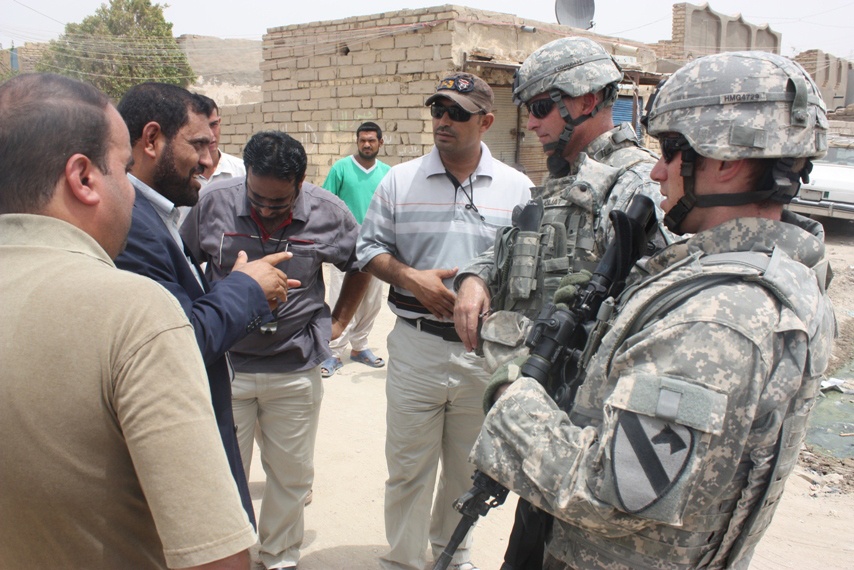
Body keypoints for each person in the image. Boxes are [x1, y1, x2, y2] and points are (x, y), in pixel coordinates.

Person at [471, 51, 837, 570]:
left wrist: (514, 397)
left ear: (726, 160)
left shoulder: (713, 319)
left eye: (670, 150)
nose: (659, 171)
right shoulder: (789, 275)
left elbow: (613, 494)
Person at [0, 73, 256, 569]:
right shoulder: (135, 311)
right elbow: (215, 555)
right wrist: (245, 291)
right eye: (122, 169)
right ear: (83, 178)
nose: (132, 193)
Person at [357, 71, 534, 570]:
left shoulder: (518, 188)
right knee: (408, 467)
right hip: (415, 346)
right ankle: (404, 559)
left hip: (483, 355)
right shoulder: (399, 180)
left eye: (458, 113)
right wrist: (411, 278)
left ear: (487, 121)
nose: (444, 121)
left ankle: (453, 556)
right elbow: (368, 250)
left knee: (467, 468)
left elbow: (529, 270)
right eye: (438, 110)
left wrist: (484, 289)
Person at [181, 130, 371, 570]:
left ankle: (280, 557)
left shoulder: (330, 213)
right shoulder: (215, 201)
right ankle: (232, 557)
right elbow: (185, 261)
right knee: (223, 477)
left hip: (294, 366)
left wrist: (338, 322)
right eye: (257, 200)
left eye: (278, 203)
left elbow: (360, 264)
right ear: (246, 176)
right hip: (225, 366)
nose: (265, 211)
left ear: (301, 183)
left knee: (290, 476)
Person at [115, 82, 295, 525]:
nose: (210, 161)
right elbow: (177, 342)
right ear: (152, 139)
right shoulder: (131, 224)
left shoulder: (159, 213)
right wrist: (247, 288)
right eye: (198, 144)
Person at [454, 36, 672, 352]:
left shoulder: (635, 184)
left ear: (587, 101)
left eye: (541, 108)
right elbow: (521, 246)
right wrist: (476, 278)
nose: (530, 123)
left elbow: (654, 315)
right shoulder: (569, 174)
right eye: (529, 110)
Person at [320, 121, 391, 377]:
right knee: (341, 298)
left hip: (378, 248)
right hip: (345, 249)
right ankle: (333, 352)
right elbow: (326, 204)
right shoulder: (341, 169)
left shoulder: (388, 173)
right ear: (357, 141)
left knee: (371, 301)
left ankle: (360, 347)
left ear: (381, 143)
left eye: (372, 140)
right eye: (362, 140)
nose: (367, 144)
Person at [199, 94, 246, 186]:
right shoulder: (180, 177)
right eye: (202, 127)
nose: (210, 135)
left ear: (219, 122)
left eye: (213, 125)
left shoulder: (242, 171)